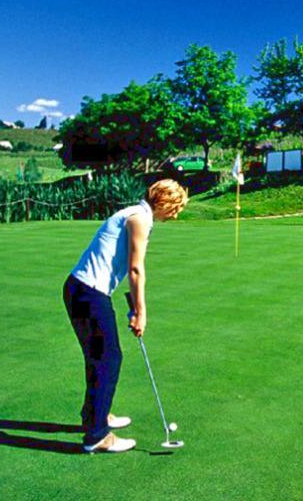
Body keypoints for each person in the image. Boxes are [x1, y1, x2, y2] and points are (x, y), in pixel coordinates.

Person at [63, 179, 188, 453]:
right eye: (175, 208)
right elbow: (135, 269)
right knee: (108, 358)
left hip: (82, 290)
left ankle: (95, 416)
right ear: (164, 202)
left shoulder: (135, 213)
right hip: (88, 292)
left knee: (99, 357)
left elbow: (122, 265)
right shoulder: (139, 219)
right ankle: (97, 436)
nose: (176, 215)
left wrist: (133, 304)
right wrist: (141, 312)